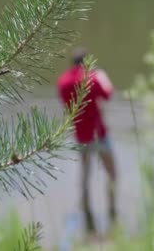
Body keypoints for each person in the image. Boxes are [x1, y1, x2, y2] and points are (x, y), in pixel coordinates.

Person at [56, 47, 117, 235]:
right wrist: (103, 75)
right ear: (86, 62)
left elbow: (65, 102)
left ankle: (86, 208)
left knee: (85, 174)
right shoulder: (92, 78)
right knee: (112, 173)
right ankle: (112, 210)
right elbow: (108, 95)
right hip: (99, 134)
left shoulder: (62, 82)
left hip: (81, 136)